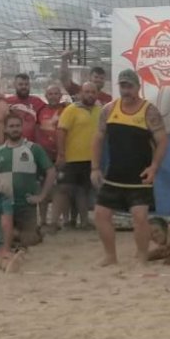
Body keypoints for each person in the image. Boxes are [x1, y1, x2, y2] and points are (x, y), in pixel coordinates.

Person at [91, 69, 168, 267]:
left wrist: (154, 167)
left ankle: (142, 256)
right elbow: (98, 138)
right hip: (114, 174)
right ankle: (110, 256)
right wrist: (95, 167)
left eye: (130, 86)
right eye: (123, 86)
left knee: (140, 217)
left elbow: (163, 141)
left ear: (137, 87)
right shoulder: (109, 109)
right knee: (101, 214)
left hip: (139, 175)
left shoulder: (149, 111)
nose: (126, 91)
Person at [0, 114, 55, 247]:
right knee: (0, 237)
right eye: (11, 126)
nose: (15, 129)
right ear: (5, 129)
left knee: (29, 241)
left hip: (26, 205)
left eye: (17, 126)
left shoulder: (33, 148)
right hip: (5, 205)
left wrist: (41, 196)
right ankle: (15, 234)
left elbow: (51, 171)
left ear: (22, 127)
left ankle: (29, 233)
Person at [56, 81, 101, 230]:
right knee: (67, 190)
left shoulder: (100, 110)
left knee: (83, 191)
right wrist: (61, 154)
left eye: (93, 92)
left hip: (90, 159)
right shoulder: (71, 109)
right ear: (81, 93)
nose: (90, 95)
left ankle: (83, 222)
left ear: (97, 94)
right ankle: (65, 220)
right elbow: (61, 132)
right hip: (71, 158)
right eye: (86, 91)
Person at [34, 83, 66, 229]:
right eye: (50, 94)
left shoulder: (67, 110)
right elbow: (36, 131)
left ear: (60, 96)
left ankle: (55, 221)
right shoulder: (40, 111)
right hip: (43, 156)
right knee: (43, 188)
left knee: (60, 188)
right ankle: (42, 221)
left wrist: (62, 153)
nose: (53, 96)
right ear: (46, 96)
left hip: (61, 155)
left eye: (56, 94)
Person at [5, 73, 47, 144]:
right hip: (11, 144)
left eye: (26, 84)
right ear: (15, 85)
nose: (24, 87)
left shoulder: (38, 101)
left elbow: (51, 108)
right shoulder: (6, 102)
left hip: (31, 145)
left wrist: (63, 104)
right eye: (21, 84)